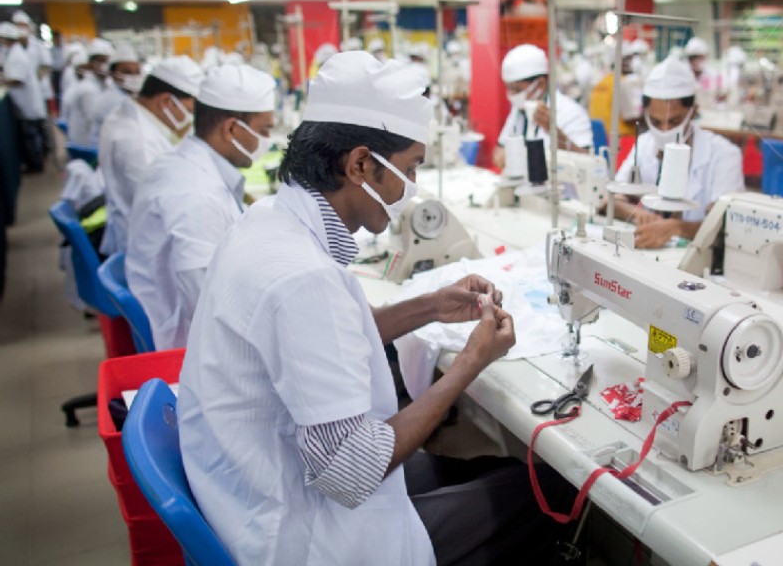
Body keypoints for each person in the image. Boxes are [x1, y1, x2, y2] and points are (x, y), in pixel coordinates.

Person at [179, 51, 568, 565]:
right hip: (307, 532)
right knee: (548, 493)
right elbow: (352, 472)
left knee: (494, 467)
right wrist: (470, 365)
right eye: (408, 170)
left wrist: (429, 306)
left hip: (260, 482)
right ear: (360, 164)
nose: (411, 190)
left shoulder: (269, 220)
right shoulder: (302, 277)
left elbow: (327, 336)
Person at [125, 64, 275, 350]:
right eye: (264, 130)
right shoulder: (196, 195)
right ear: (231, 129)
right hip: (190, 344)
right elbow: (213, 311)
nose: (267, 141)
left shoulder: (184, 162)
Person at [611, 57, 744, 249]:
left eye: (674, 122)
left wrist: (677, 228)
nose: (665, 130)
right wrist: (640, 214)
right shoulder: (645, 144)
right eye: (656, 122)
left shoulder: (724, 155)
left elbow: (724, 226)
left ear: (693, 111)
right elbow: (612, 200)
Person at [97, 55, 204, 255]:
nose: (191, 120)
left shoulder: (130, 115)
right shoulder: (137, 142)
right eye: (190, 111)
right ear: (166, 102)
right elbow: (167, 212)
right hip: (146, 250)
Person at [493, 44, 593, 170]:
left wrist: (552, 130)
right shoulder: (520, 110)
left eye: (516, 89)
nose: (511, 95)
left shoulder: (572, 113)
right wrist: (501, 156)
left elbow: (586, 163)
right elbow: (499, 148)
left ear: (540, 84)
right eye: (508, 88)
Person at [0, 22, 48, 173]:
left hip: (27, 103)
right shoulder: (13, 53)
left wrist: (2, 80)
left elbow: (17, 79)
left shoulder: (17, 55)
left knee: (31, 137)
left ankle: (36, 165)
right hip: (25, 102)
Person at [587, 45, 643, 140]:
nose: (630, 63)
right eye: (628, 60)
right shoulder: (622, 82)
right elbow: (629, 118)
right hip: (622, 140)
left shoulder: (600, 83)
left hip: (601, 138)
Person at [66, 38, 114, 147]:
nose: (105, 65)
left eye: (107, 61)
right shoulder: (88, 90)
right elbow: (95, 119)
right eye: (101, 60)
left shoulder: (101, 84)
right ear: (91, 64)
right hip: (87, 144)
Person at [89, 44, 141, 139]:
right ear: (113, 74)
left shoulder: (124, 95)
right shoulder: (114, 101)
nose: (134, 77)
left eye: (137, 72)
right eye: (127, 72)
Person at [684, 36, 722, 108]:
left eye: (699, 57)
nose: (696, 61)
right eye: (693, 57)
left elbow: (720, 95)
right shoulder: (683, 74)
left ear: (705, 57)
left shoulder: (713, 74)